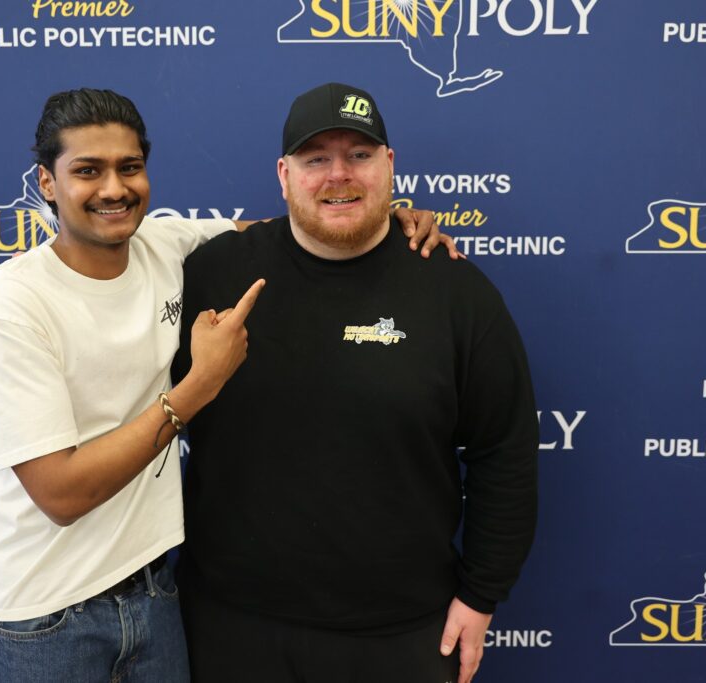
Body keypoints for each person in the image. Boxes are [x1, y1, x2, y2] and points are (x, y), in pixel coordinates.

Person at [0, 87, 452, 683]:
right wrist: (200, 385)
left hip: (156, 595)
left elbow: (296, 224)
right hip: (44, 621)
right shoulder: (10, 307)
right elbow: (61, 495)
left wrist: (387, 217)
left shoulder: (167, 247)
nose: (113, 189)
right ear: (46, 181)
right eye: (87, 171)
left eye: (129, 167)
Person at [172, 83, 539, 683]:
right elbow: (102, 315)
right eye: (316, 159)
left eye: (359, 155)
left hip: (404, 633)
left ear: (389, 166)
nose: (338, 175)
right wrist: (15, 290)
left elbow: (507, 453)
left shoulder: (456, 293)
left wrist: (481, 595)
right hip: (229, 625)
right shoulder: (213, 274)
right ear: (284, 175)